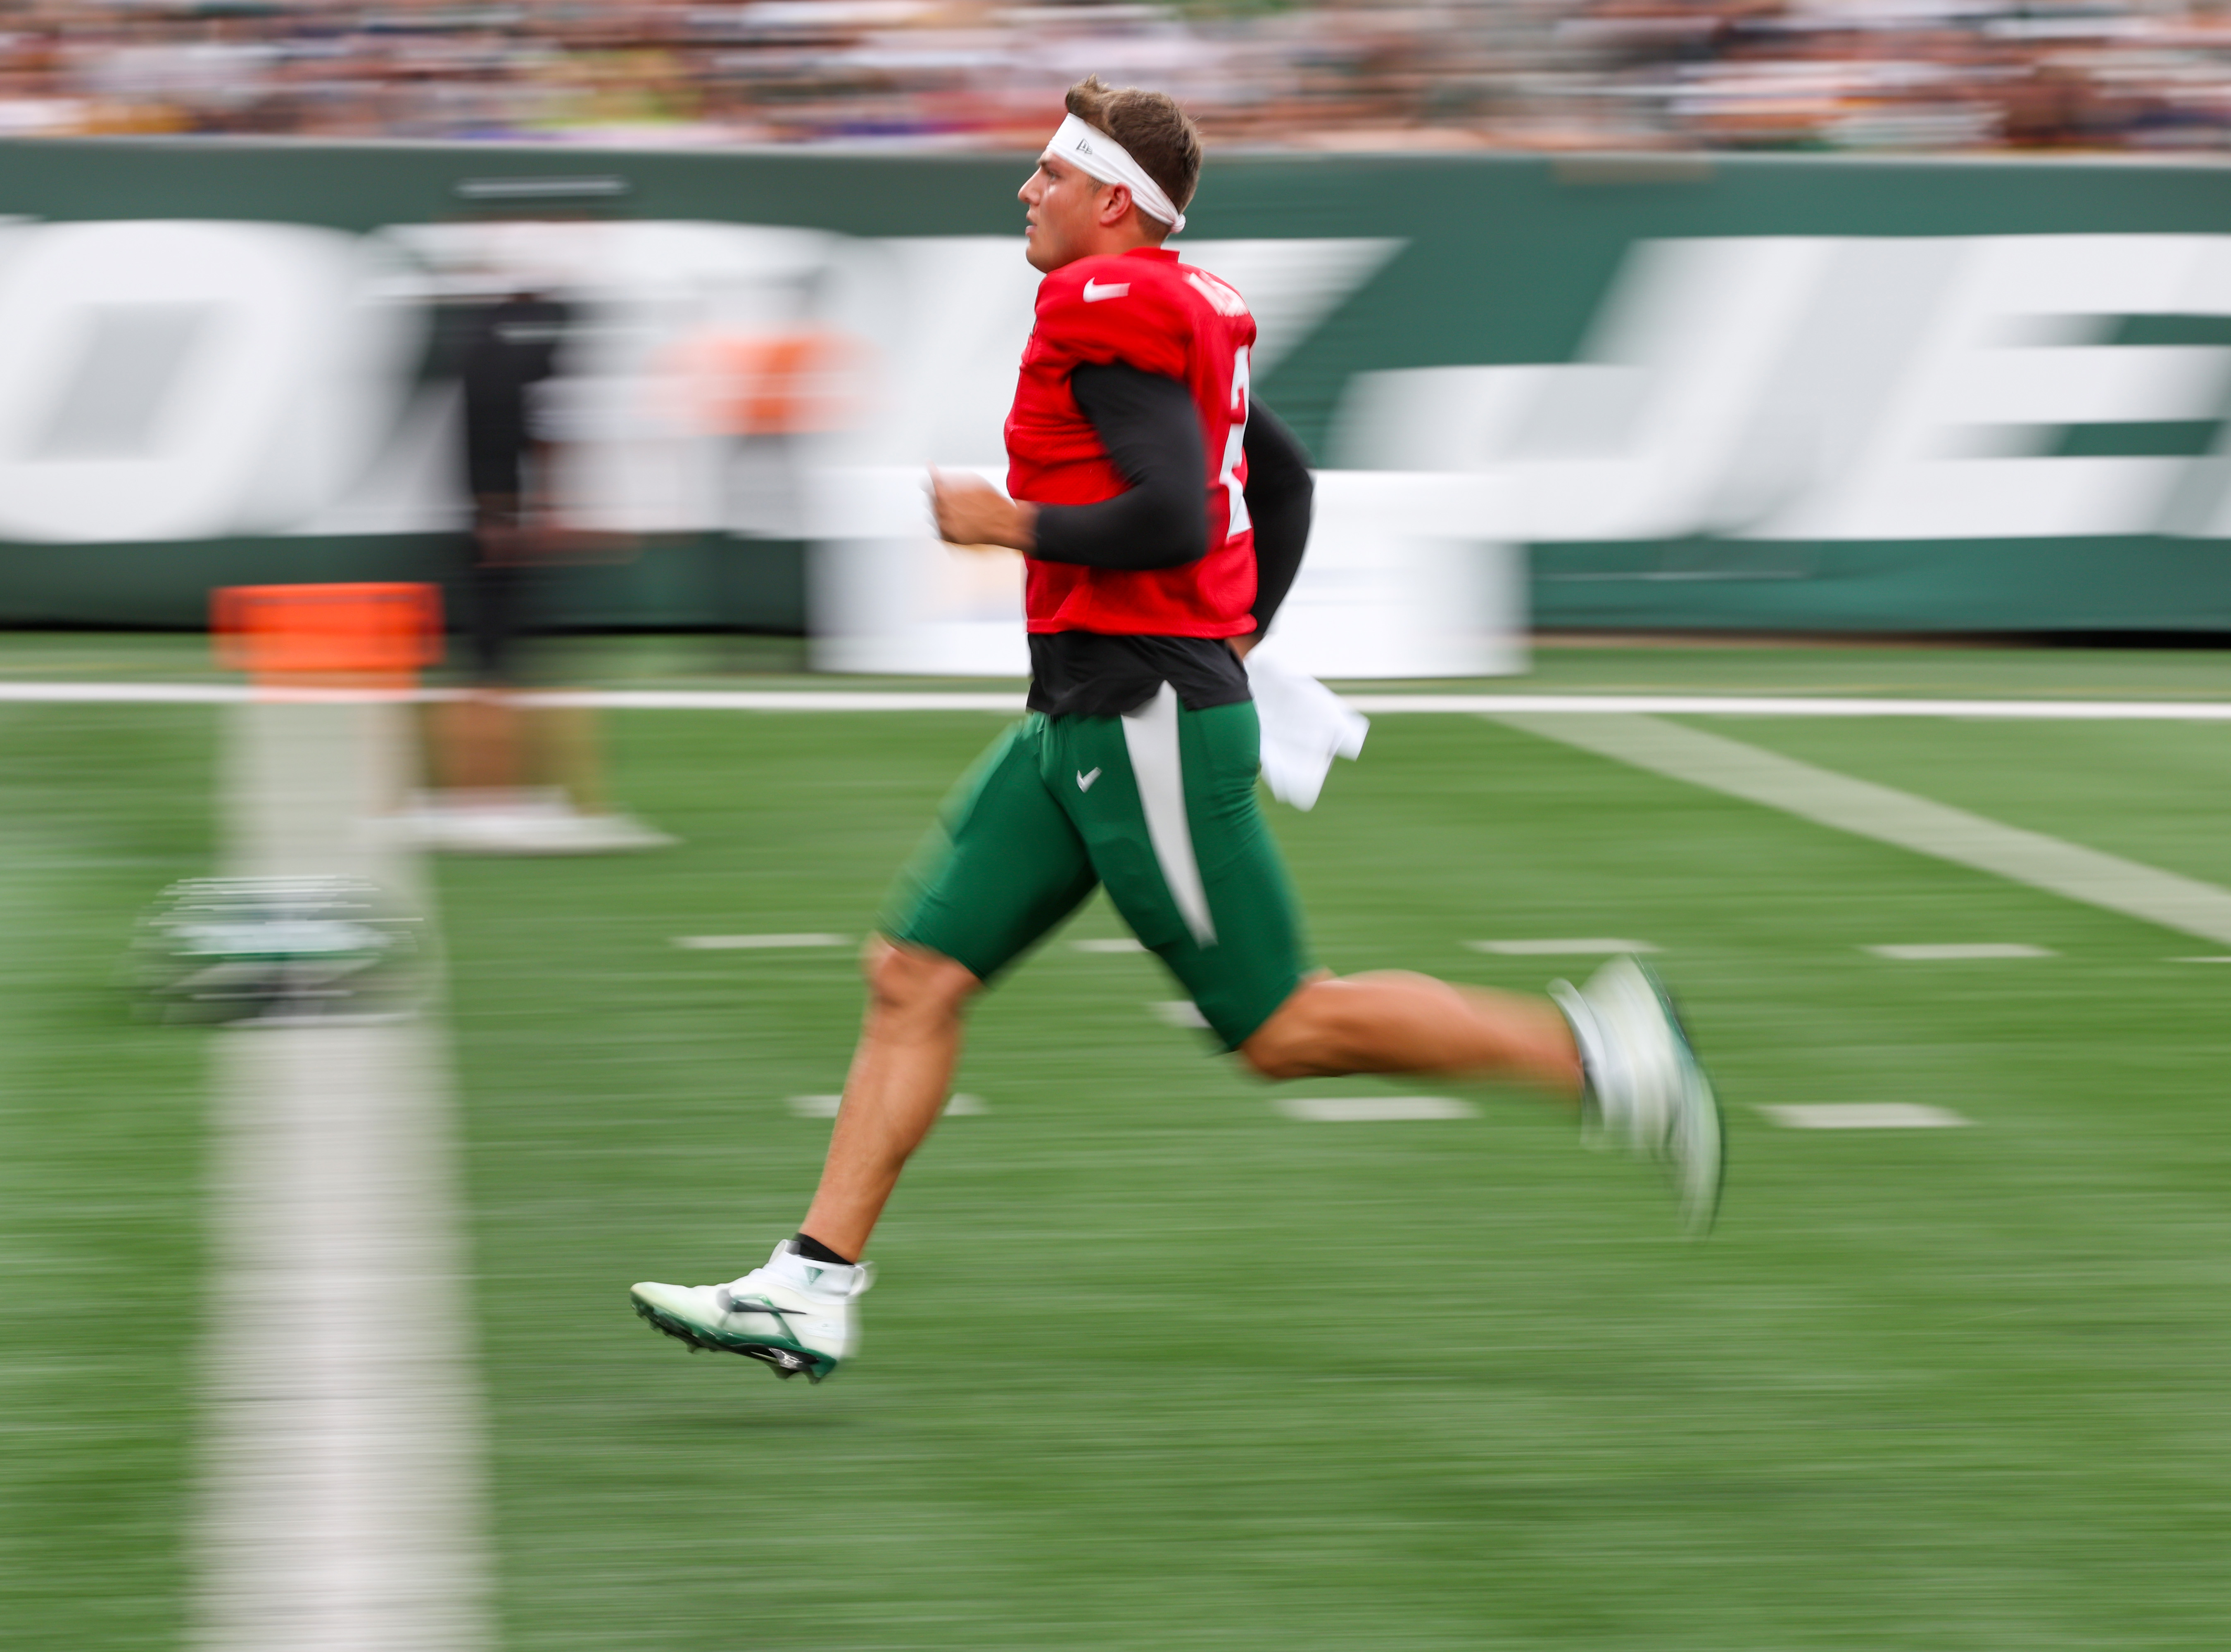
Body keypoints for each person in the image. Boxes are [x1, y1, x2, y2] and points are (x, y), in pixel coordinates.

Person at [632, 77, 1721, 1383]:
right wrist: (1239, 630)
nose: (1024, 191)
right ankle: (811, 1283)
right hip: (1085, 711)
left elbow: (1176, 518)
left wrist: (1013, 526)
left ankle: (1603, 1057)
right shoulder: (1175, 302)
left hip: (1137, 714)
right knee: (911, 973)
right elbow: (1285, 476)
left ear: (1114, 202)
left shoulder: (1111, 302)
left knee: (1280, 1028)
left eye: (1048, 172)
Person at [408, 278, 672, 855]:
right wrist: (511, 512)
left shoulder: (490, 355)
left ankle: (493, 788)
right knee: (494, 661)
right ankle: (485, 791)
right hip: (498, 522)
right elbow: (529, 441)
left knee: (500, 659)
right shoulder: (514, 363)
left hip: (494, 519)